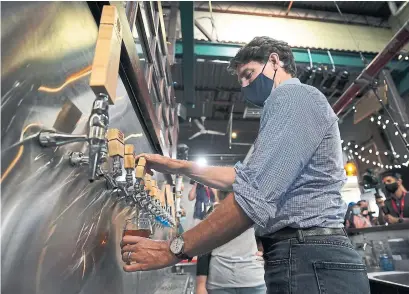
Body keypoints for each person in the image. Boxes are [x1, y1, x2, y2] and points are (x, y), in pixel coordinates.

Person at [121, 36, 370, 294]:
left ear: (274, 60)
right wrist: (176, 166)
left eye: (248, 74)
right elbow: (239, 177)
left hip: (310, 257)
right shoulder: (282, 115)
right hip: (302, 255)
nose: (244, 85)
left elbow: (253, 195)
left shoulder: (293, 96)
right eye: (240, 80)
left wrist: (173, 249)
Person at [196, 191, 266, 294]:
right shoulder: (214, 212)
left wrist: (266, 253)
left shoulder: (254, 211)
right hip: (221, 285)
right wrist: (200, 285)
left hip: (252, 281)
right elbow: (203, 250)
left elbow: (269, 236)